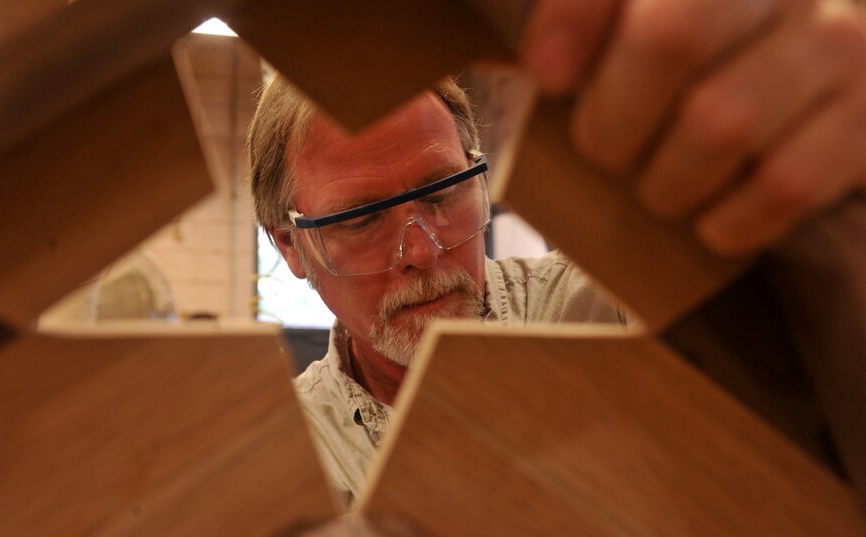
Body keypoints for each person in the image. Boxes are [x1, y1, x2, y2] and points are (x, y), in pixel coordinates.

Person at [247, 0, 866, 507]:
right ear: (291, 246)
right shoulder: (279, 455)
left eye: (442, 193)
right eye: (363, 219)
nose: (422, 251)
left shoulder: (609, 305)